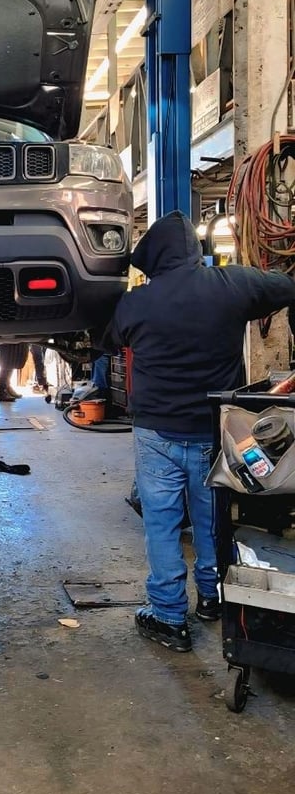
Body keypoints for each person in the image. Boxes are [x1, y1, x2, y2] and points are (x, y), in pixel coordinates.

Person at [102, 210, 295, 653]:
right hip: (215, 432)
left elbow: (108, 341)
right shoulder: (232, 285)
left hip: (156, 433)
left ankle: (169, 616)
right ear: (194, 250)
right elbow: (285, 287)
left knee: (163, 524)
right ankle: (214, 598)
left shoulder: (137, 303)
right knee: (212, 521)